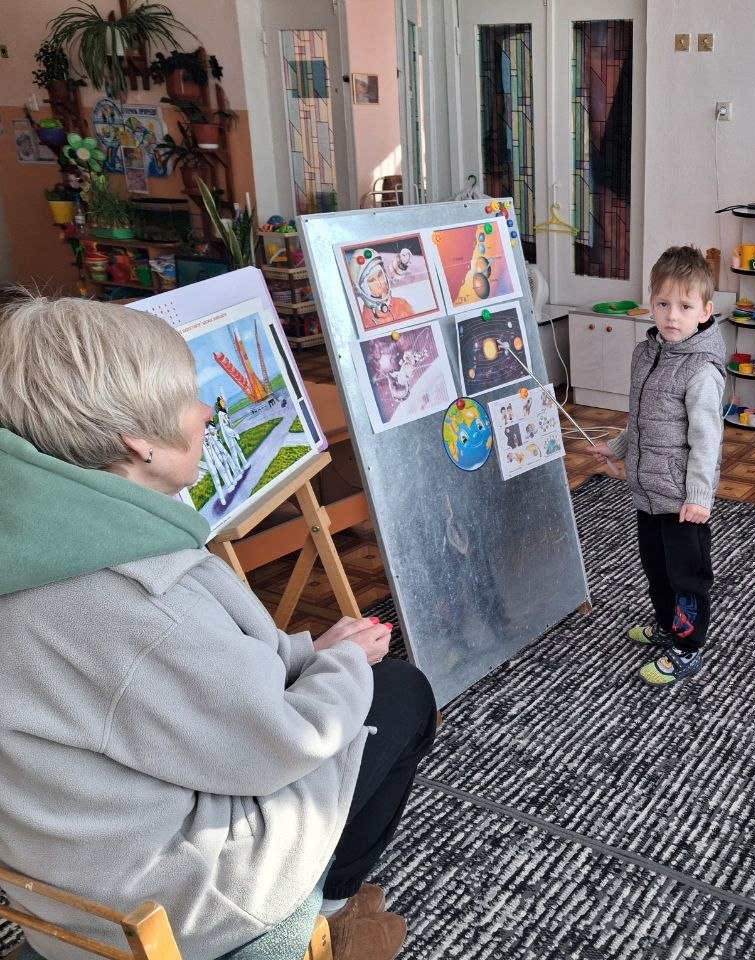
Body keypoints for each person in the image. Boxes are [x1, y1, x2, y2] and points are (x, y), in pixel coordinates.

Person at [0, 292, 437, 960]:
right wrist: (342, 663)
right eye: (188, 398)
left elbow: (174, 693)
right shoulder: (144, 595)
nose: (208, 412)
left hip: (61, 874)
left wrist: (312, 654)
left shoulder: (36, 542)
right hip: (176, 901)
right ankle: (324, 918)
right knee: (402, 695)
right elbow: (282, 741)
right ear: (138, 442)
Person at [590, 246, 726, 687]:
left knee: (687, 575)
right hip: (647, 490)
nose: (672, 315)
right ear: (651, 302)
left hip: (683, 499)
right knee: (656, 568)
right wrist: (618, 447)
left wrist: (699, 497)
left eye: (685, 306)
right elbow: (644, 418)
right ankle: (668, 625)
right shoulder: (646, 353)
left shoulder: (701, 371)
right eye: (664, 303)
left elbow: (707, 440)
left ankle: (688, 647)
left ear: (705, 311)